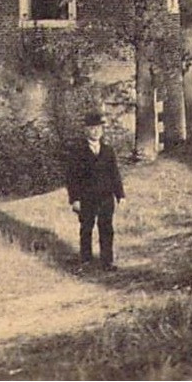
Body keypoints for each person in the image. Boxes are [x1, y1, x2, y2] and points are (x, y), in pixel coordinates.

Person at [65, 111, 125, 270]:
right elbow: (72, 178)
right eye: (92, 128)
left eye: (99, 128)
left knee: (106, 229)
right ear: (86, 130)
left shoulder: (108, 151)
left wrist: (120, 195)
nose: (96, 131)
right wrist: (75, 199)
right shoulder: (78, 152)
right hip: (86, 198)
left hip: (106, 197)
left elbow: (115, 174)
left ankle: (107, 262)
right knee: (86, 229)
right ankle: (86, 261)